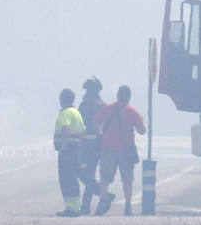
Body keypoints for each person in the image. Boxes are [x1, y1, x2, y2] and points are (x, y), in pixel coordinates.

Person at [94, 85, 147, 215]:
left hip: (107, 149)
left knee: (105, 178)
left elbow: (95, 123)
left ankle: (102, 202)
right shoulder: (132, 111)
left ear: (118, 95)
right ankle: (128, 207)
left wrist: (102, 135)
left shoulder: (108, 109)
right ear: (129, 96)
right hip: (125, 150)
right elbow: (141, 131)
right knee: (127, 180)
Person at [53, 88, 86, 217]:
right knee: (73, 178)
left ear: (63, 99)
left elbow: (65, 128)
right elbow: (83, 131)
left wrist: (64, 145)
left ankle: (71, 208)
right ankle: (76, 207)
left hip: (66, 151)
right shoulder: (76, 112)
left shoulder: (65, 113)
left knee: (66, 179)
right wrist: (78, 145)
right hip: (75, 150)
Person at [77, 77, 106, 216]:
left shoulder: (87, 106)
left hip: (88, 146)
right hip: (94, 146)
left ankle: (96, 199)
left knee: (85, 174)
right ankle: (99, 196)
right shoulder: (101, 105)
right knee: (87, 174)